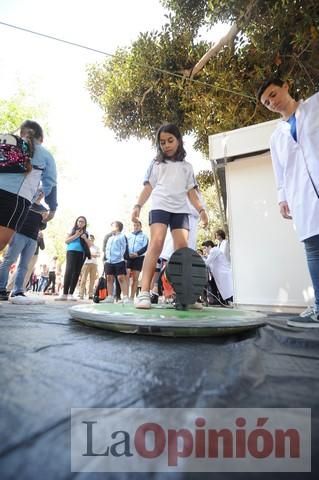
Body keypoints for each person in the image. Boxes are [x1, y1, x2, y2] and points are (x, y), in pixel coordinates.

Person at [258, 78, 319, 327]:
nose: (272, 102)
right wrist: (282, 197)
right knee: (314, 249)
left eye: (273, 94)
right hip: (301, 194)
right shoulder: (276, 137)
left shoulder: (315, 106)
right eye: (266, 102)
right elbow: (279, 171)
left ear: (286, 86)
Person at [132, 123, 208, 309]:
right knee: (156, 244)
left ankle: (183, 295)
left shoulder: (187, 167)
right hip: (160, 207)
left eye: (170, 140)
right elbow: (148, 187)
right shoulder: (156, 164)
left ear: (179, 140)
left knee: (182, 250)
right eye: (162, 142)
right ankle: (144, 293)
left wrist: (202, 211)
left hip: (181, 211)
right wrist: (137, 206)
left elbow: (192, 192)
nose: (166, 145)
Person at [0, 120, 57, 252]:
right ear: (41, 138)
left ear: (21, 133)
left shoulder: (6, 143)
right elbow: (50, 184)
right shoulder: (45, 154)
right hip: (16, 199)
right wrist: (52, 209)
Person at [0, 191, 48, 304]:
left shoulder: (44, 209)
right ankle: (1, 289)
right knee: (8, 261)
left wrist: (44, 219)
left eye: (42, 192)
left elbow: (42, 226)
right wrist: (11, 234)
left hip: (32, 239)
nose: (40, 193)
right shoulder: (26, 202)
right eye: (39, 191)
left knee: (24, 266)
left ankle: (18, 291)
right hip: (19, 234)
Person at [55, 216, 91, 301]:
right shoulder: (72, 230)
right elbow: (66, 241)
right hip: (71, 251)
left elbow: (90, 245)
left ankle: (71, 293)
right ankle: (64, 293)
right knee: (69, 270)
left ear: (85, 223)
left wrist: (85, 238)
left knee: (76, 272)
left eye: (82, 222)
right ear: (76, 222)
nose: (80, 223)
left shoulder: (86, 233)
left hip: (81, 253)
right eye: (79, 221)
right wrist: (76, 235)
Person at [103, 221, 129, 303]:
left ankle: (125, 297)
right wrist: (106, 258)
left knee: (121, 278)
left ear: (117, 227)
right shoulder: (110, 238)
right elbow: (107, 248)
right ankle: (110, 297)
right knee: (109, 278)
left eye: (113, 226)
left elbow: (123, 248)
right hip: (109, 261)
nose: (111, 227)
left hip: (119, 260)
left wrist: (120, 257)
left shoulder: (122, 236)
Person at [202, 240, 233, 305]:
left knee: (228, 290)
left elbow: (207, 262)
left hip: (223, 274)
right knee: (225, 290)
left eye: (205, 248)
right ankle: (226, 302)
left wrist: (200, 257)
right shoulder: (213, 252)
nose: (205, 250)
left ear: (209, 246)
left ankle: (229, 302)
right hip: (221, 275)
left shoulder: (214, 250)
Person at [126, 221, 148, 300]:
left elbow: (145, 247)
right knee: (126, 275)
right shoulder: (128, 236)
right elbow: (125, 246)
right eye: (135, 225)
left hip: (138, 258)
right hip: (128, 257)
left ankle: (132, 297)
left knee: (135, 278)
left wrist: (137, 253)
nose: (136, 227)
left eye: (138, 225)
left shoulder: (144, 236)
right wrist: (127, 254)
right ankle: (126, 296)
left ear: (141, 226)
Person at [79, 234, 100, 300]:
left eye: (92, 239)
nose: (90, 240)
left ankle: (90, 294)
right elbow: (85, 254)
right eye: (89, 239)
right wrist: (93, 255)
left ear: (94, 239)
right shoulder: (86, 246)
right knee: (83, 279)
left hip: (94, 264)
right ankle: (81, 294)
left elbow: (98, 255)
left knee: (92, 280)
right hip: (86, 263)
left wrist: (91, 254)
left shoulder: (96, 247)